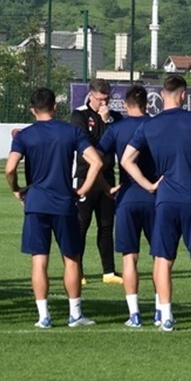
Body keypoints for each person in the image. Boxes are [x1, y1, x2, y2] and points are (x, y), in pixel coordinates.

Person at [120, 75, 191, 332]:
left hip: (165, 198)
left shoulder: (150, 125)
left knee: (163, 259)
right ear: (183, 95)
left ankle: (166, 317)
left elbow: (126, 160)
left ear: (161, 96)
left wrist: (148, 185)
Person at [5, 88, 102, 328]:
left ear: (32, 110)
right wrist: (84, 189)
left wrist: (17, 188)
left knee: (39, 260)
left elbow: (9, 168)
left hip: (36, 202)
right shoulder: (70, 131)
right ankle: (75, 314)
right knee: (71, 259)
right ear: (55, 107)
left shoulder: (25, 136)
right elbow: (96, 161)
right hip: (64, 202)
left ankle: (44, 316)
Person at [96, 85, 156, 327]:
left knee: (129, 257)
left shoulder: (116, 129)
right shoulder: (157, 125)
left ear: (126, 104)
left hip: (127, 196)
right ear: (147, 104)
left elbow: (95, 160)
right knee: (160, 258)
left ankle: (134, 314)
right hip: (155, 196)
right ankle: (161, 310)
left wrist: (105, 187)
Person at [71, 79, 122, 285]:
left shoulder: (114, 117)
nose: (104, 103)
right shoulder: (79, 115)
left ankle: (108, 271)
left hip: (108, 177)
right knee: (81, 226)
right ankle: (78, 270)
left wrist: (107, 120)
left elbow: (117, 141)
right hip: (86, 177)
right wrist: (102, 122)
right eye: (101, 99)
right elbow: (88, 148)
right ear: (91, 95)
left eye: (107, 98)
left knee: (107, 225)